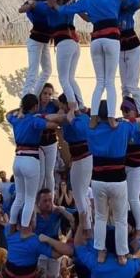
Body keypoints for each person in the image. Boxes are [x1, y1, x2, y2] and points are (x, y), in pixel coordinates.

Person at [48, 0, 122, 128]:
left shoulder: (88, 0)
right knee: (107, 82)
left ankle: (86, 114)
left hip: (88, 41)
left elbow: (66, 11)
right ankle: (105, 115)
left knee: (96, 81)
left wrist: (55, 5)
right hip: (98, 40)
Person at [87, 100, 140, 264]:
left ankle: (101, 252)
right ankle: (121, 255)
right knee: (121, 219)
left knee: (100, 217)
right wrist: (130, 119)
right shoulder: (124, 127)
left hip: (98, 179)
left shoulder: (91, 129)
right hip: (117, 180)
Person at [21, 0, 84, 120]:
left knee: (61, 77)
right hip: (70, 42)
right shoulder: (65, 6)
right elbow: (22, 9)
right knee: (43, 72)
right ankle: (27, 105)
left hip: (61, 42)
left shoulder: (50, 7)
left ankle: (76, 108)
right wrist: (32, 4)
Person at [6, 94, 58, 231]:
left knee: (19, 197)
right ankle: (24, 229)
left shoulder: (17, 118)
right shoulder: (34, 120)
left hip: (17, 159)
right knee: (29, 198)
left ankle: (11, 225)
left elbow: (7, 114)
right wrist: (44, 117)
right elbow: (52, 125)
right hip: (31, 159)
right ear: (35, 107)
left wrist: (20, 109)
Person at [74, 214, 140, 278]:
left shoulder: (96, 263)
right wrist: (138, 231)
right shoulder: (131, 265)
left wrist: (81, 224)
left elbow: (78, 245)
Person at [3, 211, 73, 278]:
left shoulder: (9, 232)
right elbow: (57, 255)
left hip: (8, 274)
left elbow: (10, 222)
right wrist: (49, 239)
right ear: (33, 222)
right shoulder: (37, 241)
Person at [58, 94, 92, 228]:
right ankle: (86, 223)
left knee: (79, 194)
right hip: (78, 159)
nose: (60, 107)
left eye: (61, 105)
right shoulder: (69, 119)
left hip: (84, 158)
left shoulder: (82, 118)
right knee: (80, 194)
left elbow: (80, 130)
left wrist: (71, 115)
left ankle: (86, 226)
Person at [121, 96, 140, 238]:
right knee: (122, 199)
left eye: (127, 110)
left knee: (133, 198)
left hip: (137, 168)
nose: (124, 113)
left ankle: (139, 229)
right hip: (124, 166)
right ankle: (123, 225)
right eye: (123, 110)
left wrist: (129, 120)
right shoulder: (124, 123)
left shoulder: (139, 124)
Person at [35, 188, 75, 277]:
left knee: (54, 275)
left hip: (55, 248)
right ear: (38, 202)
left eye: (50, 200)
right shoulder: (35, 214)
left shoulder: (56, 212)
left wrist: (62, 210)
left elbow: (73, 218)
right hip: (39, 250)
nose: (48, 203)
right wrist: (34, 211)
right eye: (45, 201)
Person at [19, 0, 52, 98]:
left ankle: (35, 98)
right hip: (35, 40)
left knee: (47, 70)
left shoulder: (49, 2)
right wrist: (31, 3)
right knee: (33, 72)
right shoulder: (34, 2)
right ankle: (25, 104)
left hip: (45, 41)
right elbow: (21, 9)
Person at [118, 0, 140, 114]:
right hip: (120, 49)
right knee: (124, 86)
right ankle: (126, 111)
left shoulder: (125, 8)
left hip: (133, 48)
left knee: (132, 86)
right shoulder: (109, 11)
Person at [38, 83, 60, 194]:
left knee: (49, 172)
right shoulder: (36, 105)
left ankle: (50, 199)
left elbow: (61, 114)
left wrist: (57, 102)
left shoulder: (53, 105)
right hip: (39, 142)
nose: (47, 96)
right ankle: (38, 199)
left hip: (51, 141)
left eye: (49, 94)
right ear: (40, 93)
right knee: (41, 173)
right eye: (45, 93)